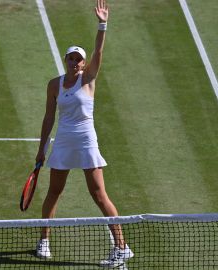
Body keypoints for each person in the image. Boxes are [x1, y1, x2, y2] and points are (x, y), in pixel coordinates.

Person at [34, 0, 133, 267]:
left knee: (99, 195)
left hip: (86, 140)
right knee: (54, 192)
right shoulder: (54, 85)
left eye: (79, 59)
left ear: (84, 62)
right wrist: (42, 149)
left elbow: (99, 51)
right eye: (72, 58)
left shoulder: (88, 79)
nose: (76, 62)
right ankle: (44, 241)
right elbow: (48, 117)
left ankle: (122, 247)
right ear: (65, 60)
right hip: (64, 141)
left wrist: (103, 24)